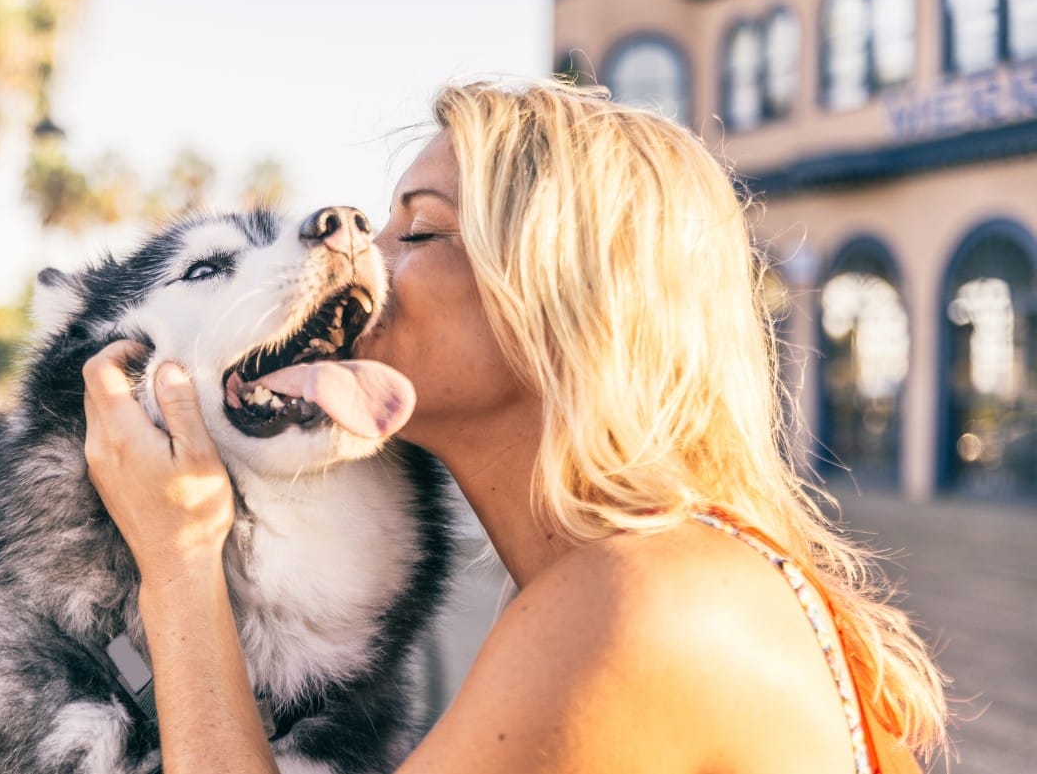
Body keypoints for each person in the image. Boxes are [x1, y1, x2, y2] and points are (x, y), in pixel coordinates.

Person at [82, 79, 948, 773]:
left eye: (418, 229)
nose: (356, 251)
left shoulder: (632, 603)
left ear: (563, 303)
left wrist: (181, 559)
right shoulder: (635, 572)